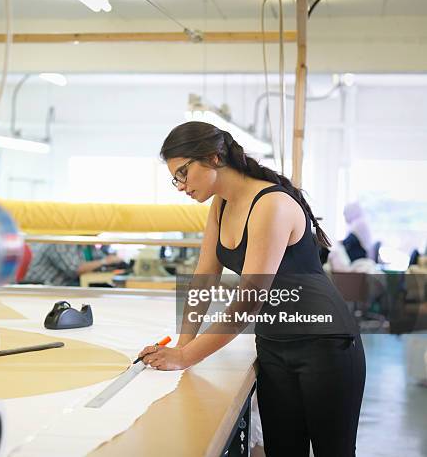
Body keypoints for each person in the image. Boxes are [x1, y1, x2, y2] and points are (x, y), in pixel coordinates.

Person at [138, 122, 366, 457]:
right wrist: (181, 348)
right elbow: (204, 279)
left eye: (184, 172)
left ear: (215, 157)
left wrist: (186, 356)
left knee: (334, 451)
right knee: (283, 450)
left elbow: (248, 302)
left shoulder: (270, 205)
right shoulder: (221, 205)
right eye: (175, 177)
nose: (180, 185)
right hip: (274, 344)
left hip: (325, 345)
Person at [23, 243, 122, 286]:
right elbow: (75, 269)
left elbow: (99, 259)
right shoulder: (60, 242)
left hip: (61, 285)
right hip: (40, 285)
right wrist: (105, 261)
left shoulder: (88, 245)